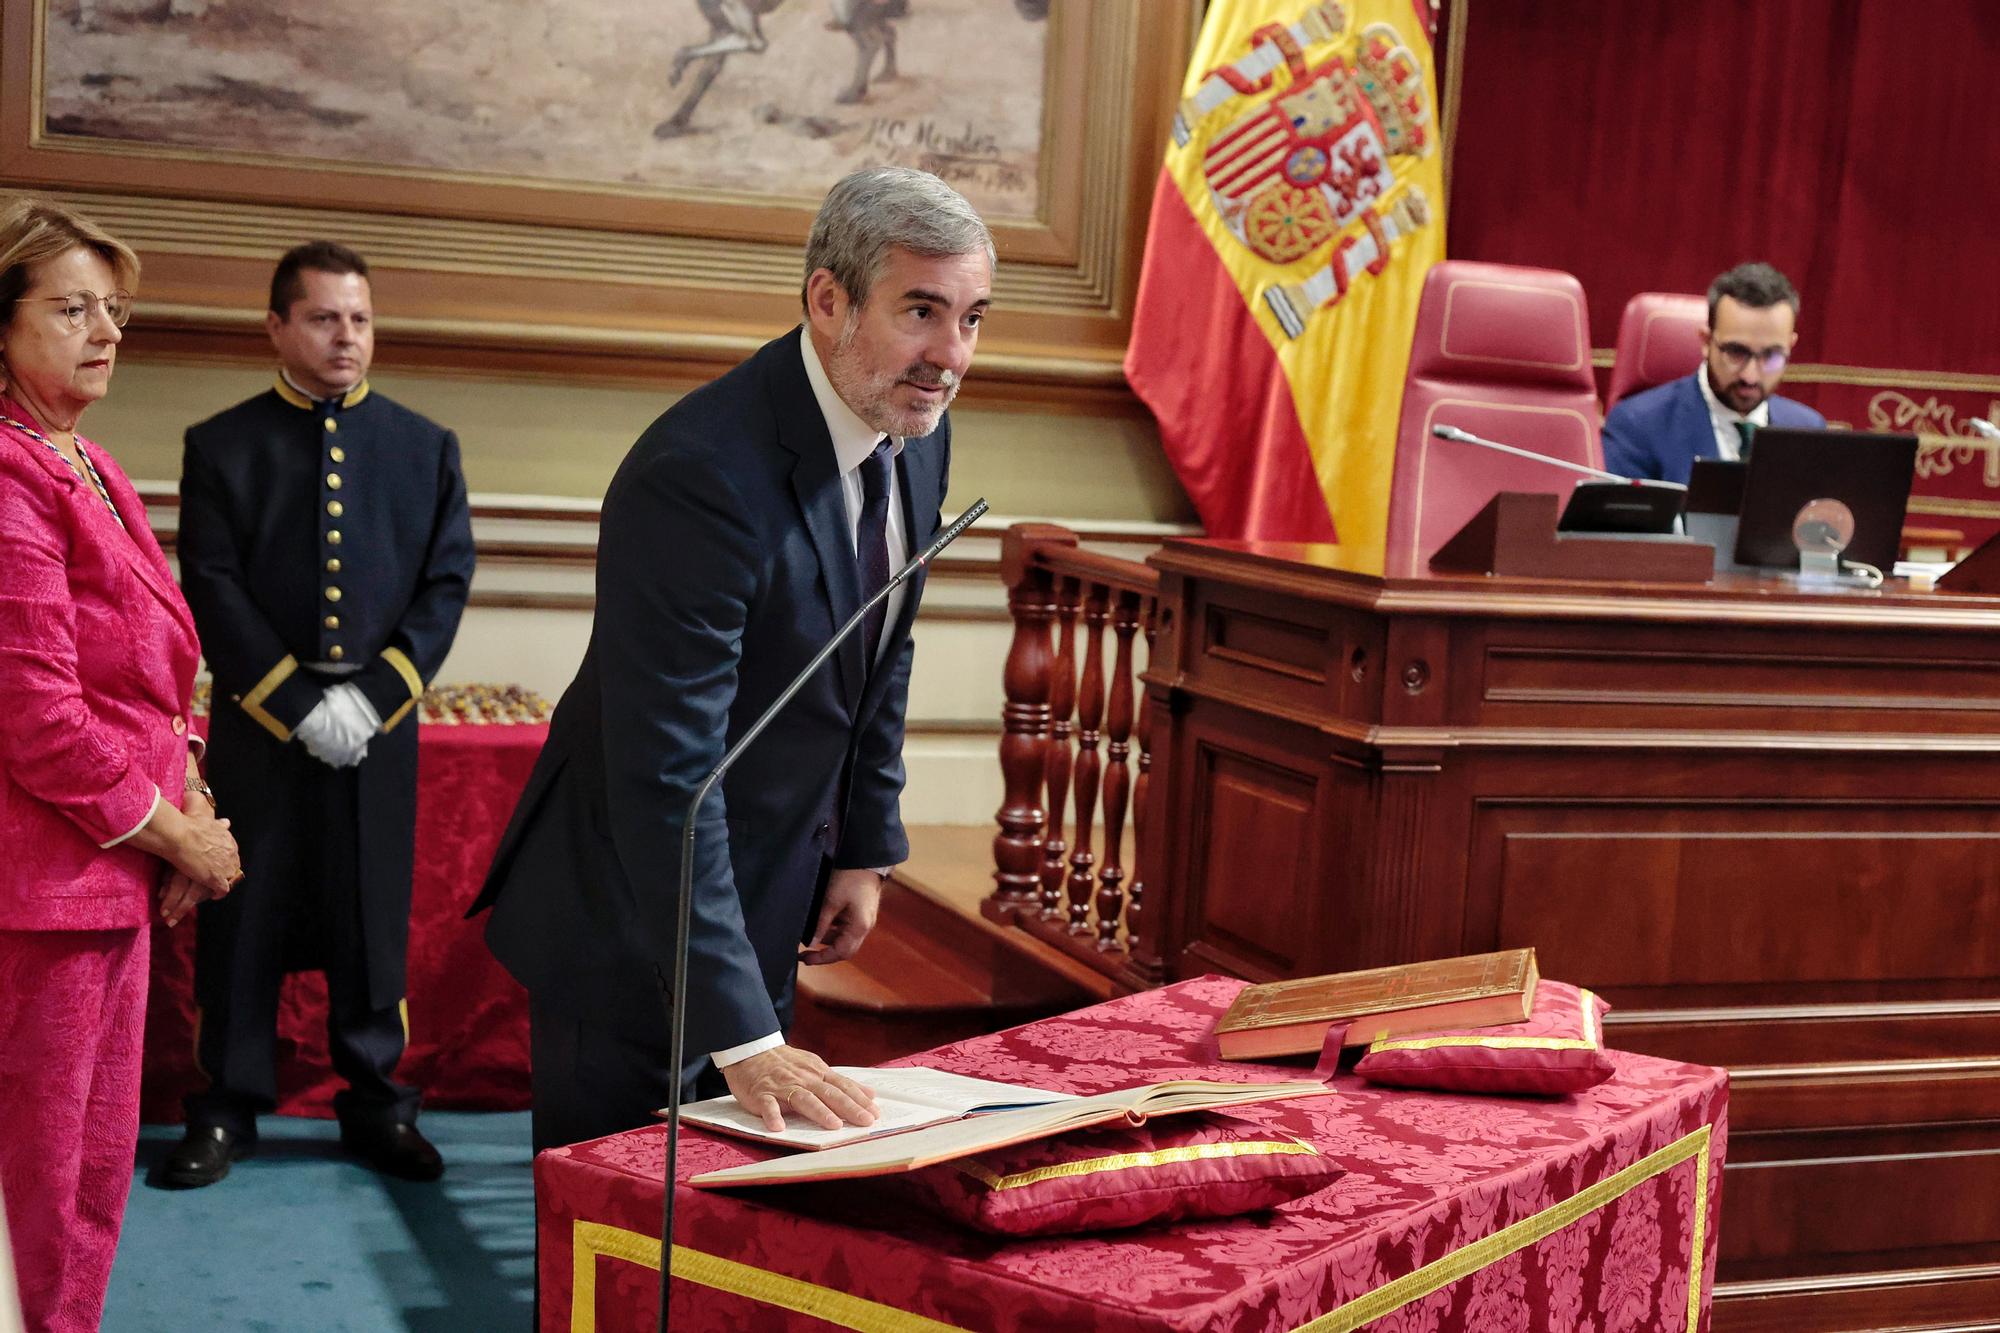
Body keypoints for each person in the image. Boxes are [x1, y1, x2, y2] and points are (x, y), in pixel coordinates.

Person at [472, 166, 991, 1151]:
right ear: (828, 299)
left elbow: (882, 644)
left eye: (971, 317)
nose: (949, 356)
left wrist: (862, 842)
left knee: (724, 1228)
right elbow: (668, 774)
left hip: (769, 882)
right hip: (628, 908)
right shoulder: (700, 475)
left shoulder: (914, 425)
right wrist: (743, 1029)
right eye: (920, 311)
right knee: (611, 1229)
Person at [165, 241, 475, 1187]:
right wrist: (298, 706)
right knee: (244, 915)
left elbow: (445, 582)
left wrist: (374, 698)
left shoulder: (425, 447)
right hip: (263, 734)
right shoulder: (221, 445)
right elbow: (213, 587)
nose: (347, 337)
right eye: (324, 317)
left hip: (378, 735)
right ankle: (228, 1105)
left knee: (371, 917)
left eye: (360, 319)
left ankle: (379, 1103)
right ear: (277, 325)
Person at [0, 196, 241, 1332]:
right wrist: (176, 831)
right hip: (38, 893)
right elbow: (37, 715)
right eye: (71, 308)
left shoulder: (85, 458)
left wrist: (189, 794)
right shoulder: (6, 477)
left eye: (115, 310)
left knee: (92, 1180)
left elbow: (154, 672)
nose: (104, 331)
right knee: (38, 1190)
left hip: (108, 877)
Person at [1602, 261, 1827, 484]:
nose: (1750, 376)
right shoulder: (1638, 426)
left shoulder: (1809, 431)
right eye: (1736, 352)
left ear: (1790, 346)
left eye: (1770, 356)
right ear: (1706, 341)